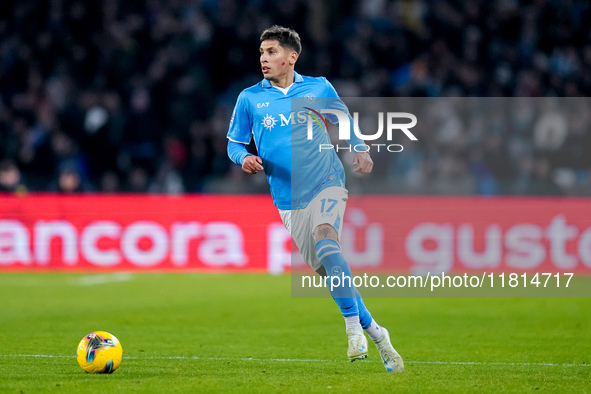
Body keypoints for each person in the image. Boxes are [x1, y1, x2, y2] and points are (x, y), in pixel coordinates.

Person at [226, 25, 403, 372]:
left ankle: (353, 330)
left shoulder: (318, 87)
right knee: (331, 272)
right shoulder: (250, 98)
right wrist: (242, 158)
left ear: (292, 57)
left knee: (327, 243)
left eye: (272, 52)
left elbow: (344, 120)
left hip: (327, 181)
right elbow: (234, 142)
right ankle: (376, 332)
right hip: (288, 199)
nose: (264, 58)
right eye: (262, 52)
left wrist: (359, 147)